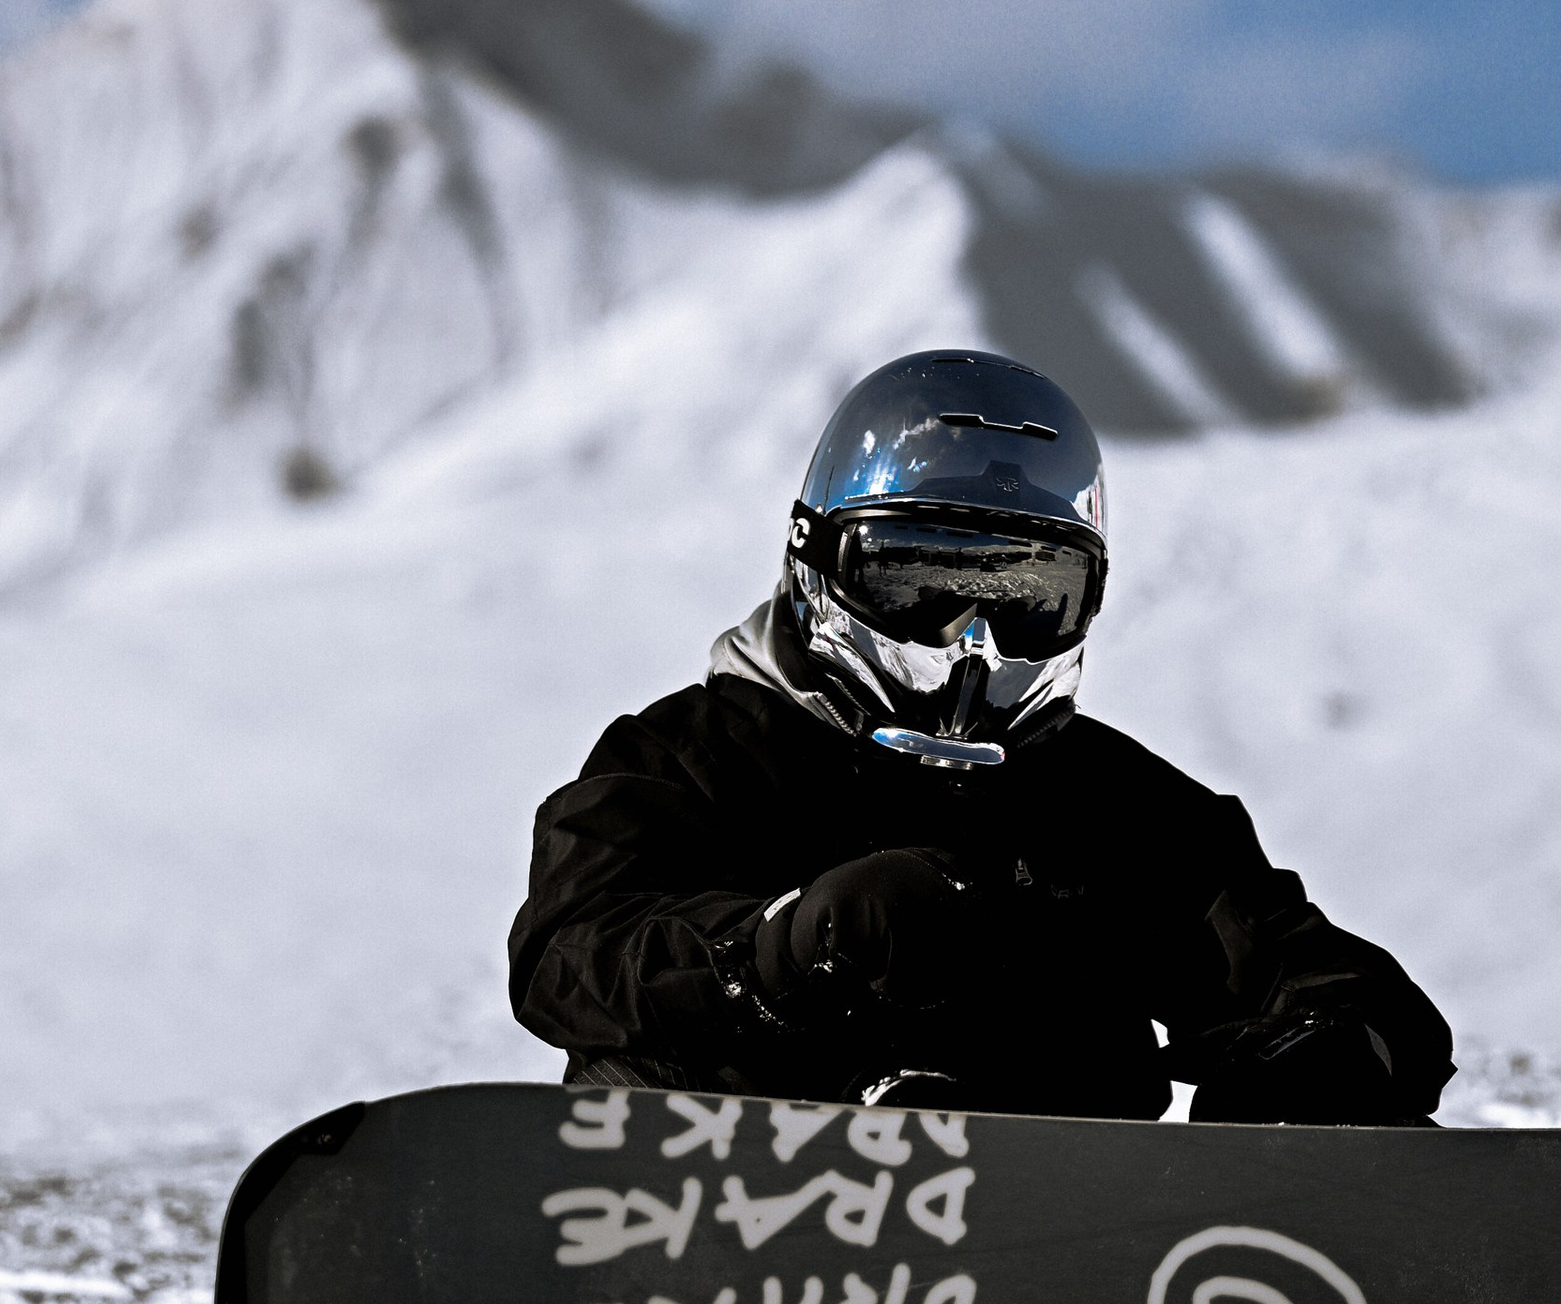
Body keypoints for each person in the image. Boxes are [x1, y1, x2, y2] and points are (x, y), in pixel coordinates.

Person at [508, 344, 1455, 1124]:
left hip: (1050, 1265)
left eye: (1028, 599)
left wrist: (1339, 1042)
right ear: (818, 561)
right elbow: (569, 950)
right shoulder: (691, 754)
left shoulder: (1113, 803)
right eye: (921, 584)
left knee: (1345, 1107)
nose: (974, 642)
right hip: (730, 1242)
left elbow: (1305, 961)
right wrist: (780, 949)